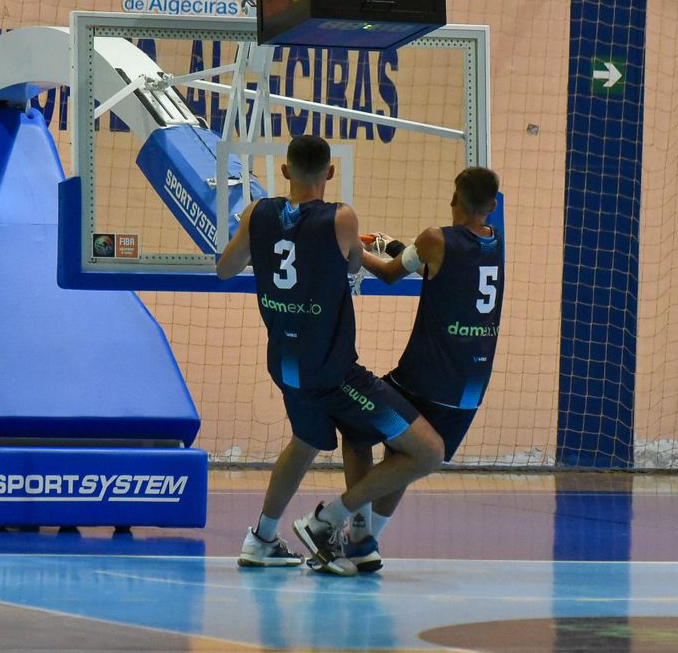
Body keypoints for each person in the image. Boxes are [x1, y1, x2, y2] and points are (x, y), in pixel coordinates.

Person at [216, 135, 444, 577]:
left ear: (285, 171)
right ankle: (326, 523)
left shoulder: (256, 213)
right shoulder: (341, 217)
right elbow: (361, 266)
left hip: (286, 365)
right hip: (334, 373)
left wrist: (258, 244)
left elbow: (225, 269)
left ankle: (262, 539)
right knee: (428, 451)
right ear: (331, 172)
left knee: (306, 442)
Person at [339, 166, 504, 572]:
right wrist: (395, 245)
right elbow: (434, 262)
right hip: (468, 388)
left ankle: (349, 526)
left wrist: (356, 252)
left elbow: (391, 274)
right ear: (492, 205)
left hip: (424, 379)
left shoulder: (435, 238)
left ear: (453, 199)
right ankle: (366, 543)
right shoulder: (495, 242)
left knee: (356, 431)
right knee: (404, 456)